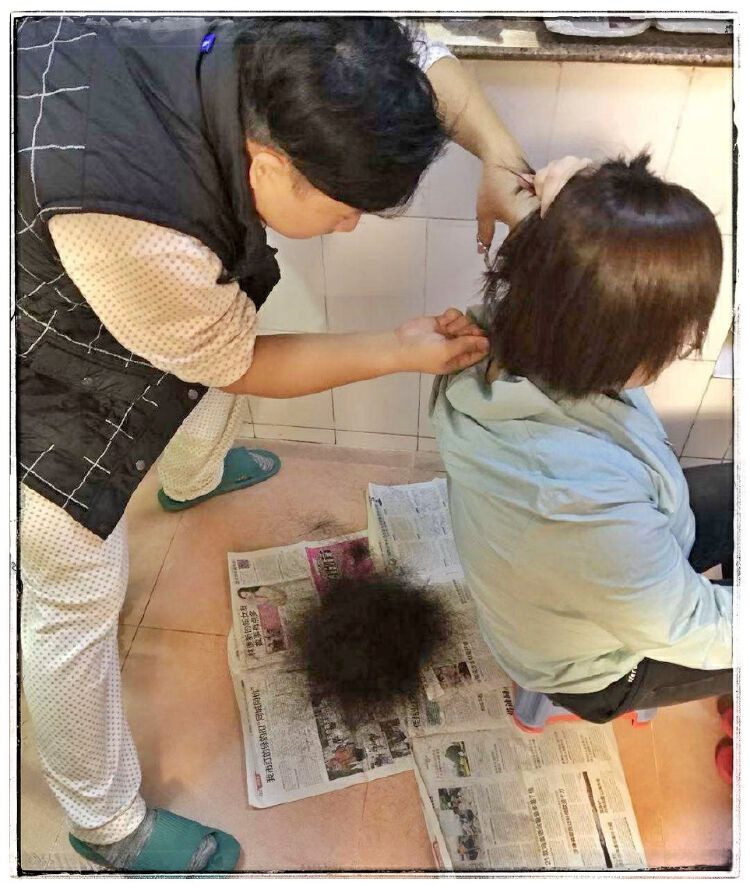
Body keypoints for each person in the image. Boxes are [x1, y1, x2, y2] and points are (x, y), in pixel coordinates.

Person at [16, 14, 569, 873]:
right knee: (73, 582)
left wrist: (498, 153)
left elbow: (417, 51)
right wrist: (400, 348)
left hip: (114, 239)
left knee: (203, 337)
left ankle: (193, 478)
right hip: (33, 337)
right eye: (344, 210)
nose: (348, 229)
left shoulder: (291, 44)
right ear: (271, 164)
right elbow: (236, 362)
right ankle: (104, 821)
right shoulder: (143, 229)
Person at [431, 152, 732, 728]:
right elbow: (690, 627)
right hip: (600, 673)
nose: (682, 345)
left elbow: (564, 253)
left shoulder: (517, 328)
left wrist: (584, 207)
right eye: (675, 334)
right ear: (611, 342)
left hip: (597, 563)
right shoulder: (577, 501)